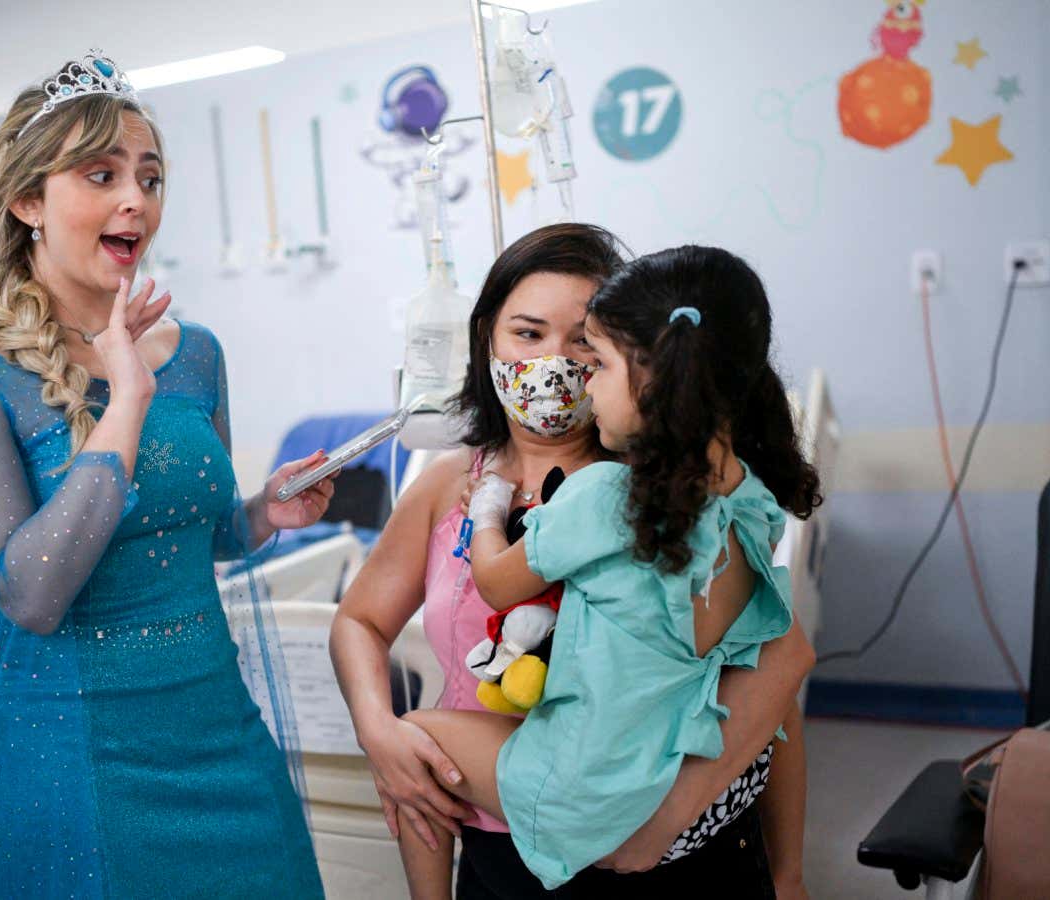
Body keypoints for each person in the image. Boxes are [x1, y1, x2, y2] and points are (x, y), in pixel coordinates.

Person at [0, 50, 328, 898]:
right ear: (29, 201)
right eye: (101, 175)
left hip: (219, 730)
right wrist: (126, 397)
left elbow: (198, 539)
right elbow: (31, 594)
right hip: (68, 756)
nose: (137, 198)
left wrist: (262, 514)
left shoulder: (197, 353)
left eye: (150, 176)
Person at [330, 227, 816, 898]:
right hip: (501, 842)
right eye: (528, 334)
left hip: (660, 852)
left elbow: (774, 676)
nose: (554, 363)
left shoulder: (664, 493)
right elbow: (358, 620)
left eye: (584, 343)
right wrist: (378, 731)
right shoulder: (448, 484)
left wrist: (785, 873)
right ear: (487, 338)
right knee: (421, 744)